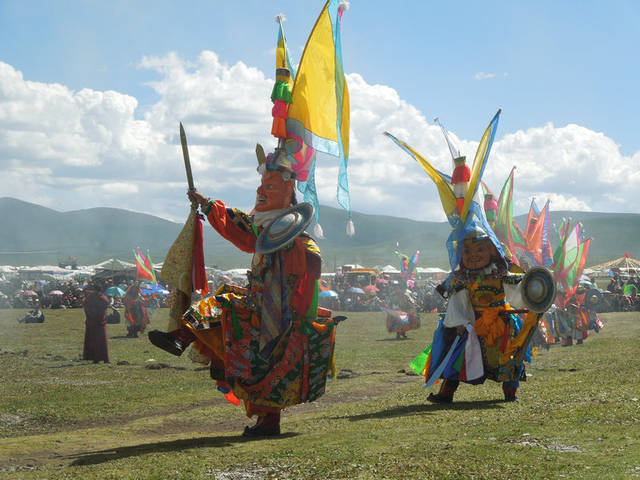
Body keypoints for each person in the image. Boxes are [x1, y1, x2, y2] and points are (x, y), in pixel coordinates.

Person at [82, 281, 110, 363]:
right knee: (102, 341)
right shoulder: (102, 298)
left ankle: (94, 358)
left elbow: (85, 305)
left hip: (91, 321)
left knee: (92, 340)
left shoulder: (89, 298)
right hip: (99, 322)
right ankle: (104, 358)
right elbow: (106, 303)